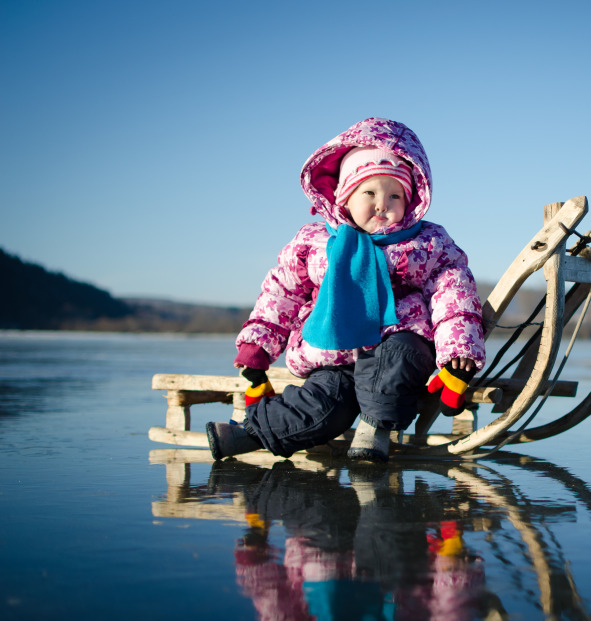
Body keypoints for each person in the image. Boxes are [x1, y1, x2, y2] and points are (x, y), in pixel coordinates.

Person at [206, 117, 486, 463]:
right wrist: (257, 346)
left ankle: (373, 431)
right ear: (345, 198)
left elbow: (453, 292)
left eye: (395, 194)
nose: (382, 204)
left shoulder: (425, 242)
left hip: (398, 337)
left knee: (394, 362)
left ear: (411, 200)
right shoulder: (315, 241)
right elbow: (282, 292)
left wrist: (458, 352)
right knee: (324, 403)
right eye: (369, 192)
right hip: (333, 349)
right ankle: (250, 434)